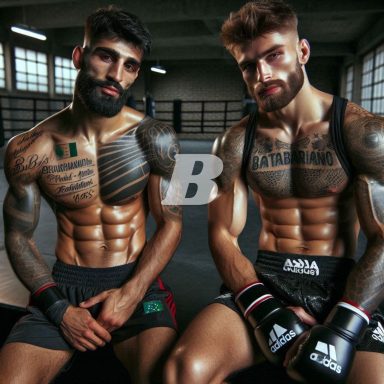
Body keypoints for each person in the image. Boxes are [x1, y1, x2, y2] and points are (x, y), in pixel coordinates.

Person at [164, 1, 384, 383]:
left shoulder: (365, 133)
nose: (262, 73)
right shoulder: (230, 142)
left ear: (302, 51)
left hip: (346, 286)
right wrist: (262, 308)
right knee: (183, 370)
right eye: (248, 65)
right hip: (266, 279)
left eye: (274, 55)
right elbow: (220, 234)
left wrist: (344, 327)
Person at [0, 6, 181, 384]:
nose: (117, 75)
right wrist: (58, 308)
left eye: (130, 66)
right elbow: (19, 235)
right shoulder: (30, 148)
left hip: (136, 280)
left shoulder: (157, 138)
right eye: (106, 56)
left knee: (167, 376)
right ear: (80, 56)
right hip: (64, 286)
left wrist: (131, 293)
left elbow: (171, 223)